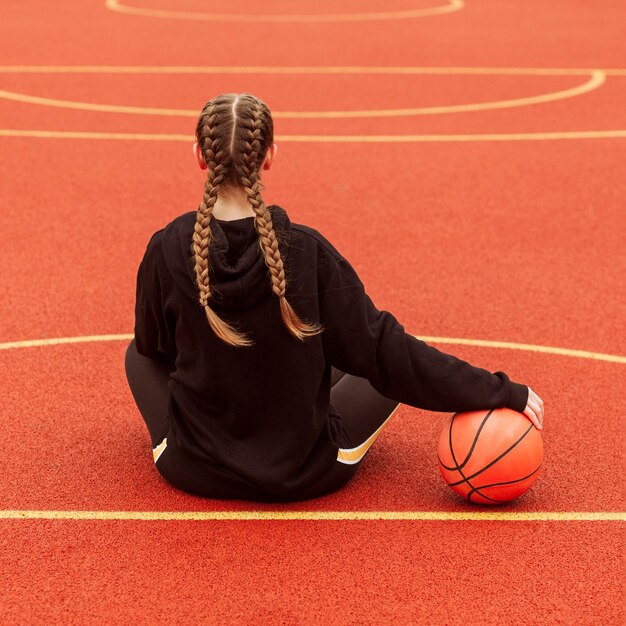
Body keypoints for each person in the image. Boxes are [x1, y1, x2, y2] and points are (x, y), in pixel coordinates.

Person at [124, 92, 544, 503]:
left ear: (199, 155)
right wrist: (501, 392)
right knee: (375, 361)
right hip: (305, 472)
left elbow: (154, 348)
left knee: (138, 353)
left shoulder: (166, 248)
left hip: (195, 468)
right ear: (269, 155)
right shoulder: (306, 250)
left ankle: (213, 422)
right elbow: (388, 354)